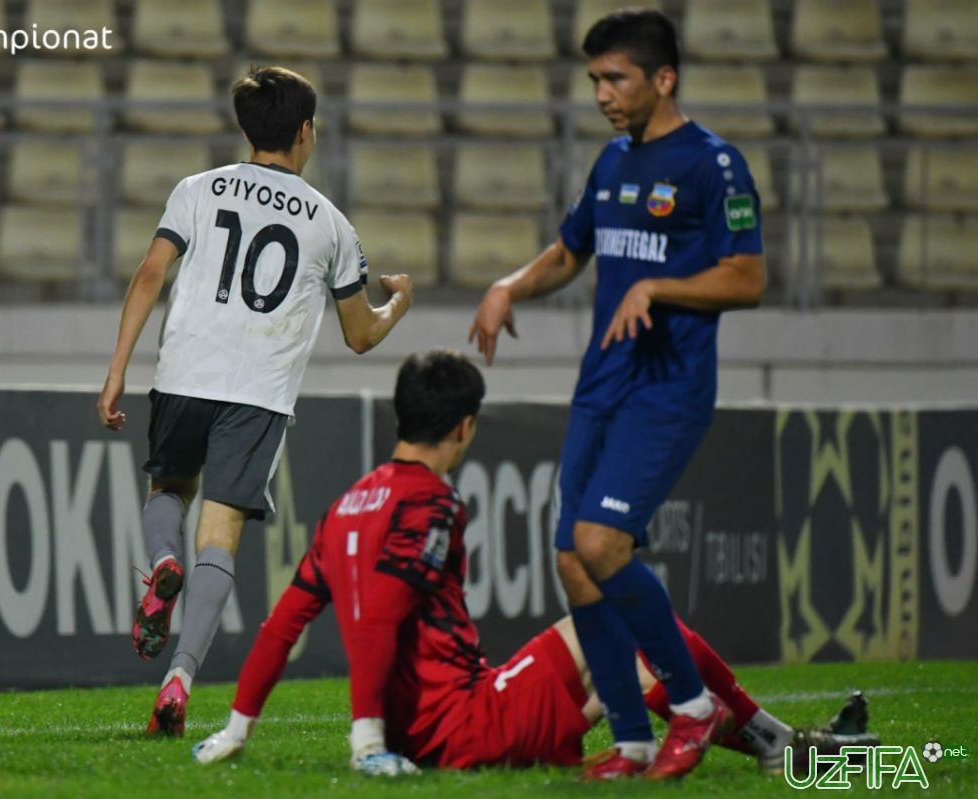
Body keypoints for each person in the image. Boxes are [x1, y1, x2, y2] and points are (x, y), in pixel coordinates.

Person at [191, 351, 875, 776]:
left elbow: (284, 624)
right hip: (466, 724)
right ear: (464, 427)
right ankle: (771, 741)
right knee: (622, 622)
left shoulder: (348, 505)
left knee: (625, 649)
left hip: (438, 722)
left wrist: (237, 726)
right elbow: (378, 621)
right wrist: (367, 741)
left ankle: (785, 747)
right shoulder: (430, 502)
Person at [468, 8, 767, 781]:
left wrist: (659, 287)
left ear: (664, 79)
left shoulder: (714, 164)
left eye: (616, 78)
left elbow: (748, 277)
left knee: (602, 545)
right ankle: (632, 739)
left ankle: (694, 706)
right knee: (573, 559)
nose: (601, 92)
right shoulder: (612, 161)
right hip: (602, 384)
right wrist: (509, 286)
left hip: (666, 388)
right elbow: (572, 250)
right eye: (595, 79)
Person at [96, 66, 414, 737]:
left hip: (184, 375)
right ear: (305, 131)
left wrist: (117, 369)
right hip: (258, 395)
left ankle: (163, 562)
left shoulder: (196, 189)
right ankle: (180, 679)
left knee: (168, 489)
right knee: (221, 534)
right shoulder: (331, 224)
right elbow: (360, 334)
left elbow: (151, 273)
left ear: (247, 129)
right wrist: (398, 306)